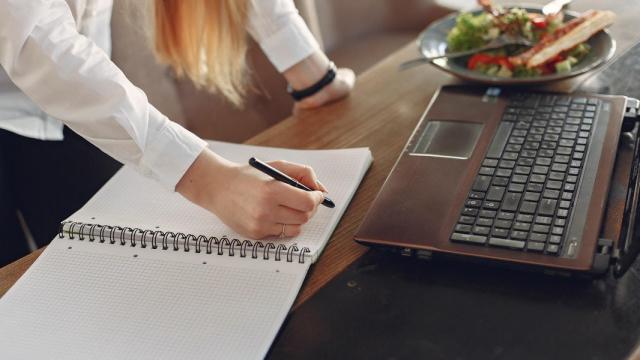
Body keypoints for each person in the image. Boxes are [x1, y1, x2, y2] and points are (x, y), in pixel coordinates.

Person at [0, 0, 356, 266]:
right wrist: (209, 180)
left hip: (69, 101)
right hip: (50, 75)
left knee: (100, 265)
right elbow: (33, 36)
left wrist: (311, 74)